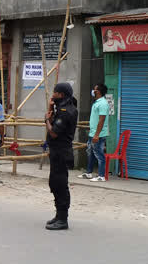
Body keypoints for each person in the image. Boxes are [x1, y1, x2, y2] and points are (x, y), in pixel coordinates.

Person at [44, 82, 78, 231]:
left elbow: (53, 132)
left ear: (61, 94)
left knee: (60, 184)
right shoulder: (61, 108)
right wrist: (51, 109)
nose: (53, 95)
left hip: (61, 152)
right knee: (55, 183)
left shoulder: (66, 111)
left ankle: (63, 219)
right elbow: (54, 124)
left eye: (55, 92)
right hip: (57, 151)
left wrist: (46, 119)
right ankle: (58, 215)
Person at [79, 83, 110, 182]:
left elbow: (102, 120)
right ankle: (89, 173)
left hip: (99, 134)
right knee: (90, 153)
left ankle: (101, 176)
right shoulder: (97, 102)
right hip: (93, 133)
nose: (93, 91)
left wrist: (97, 134)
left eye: (95, 89)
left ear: (99, 91)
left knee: (99, 154)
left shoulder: (103, 103)